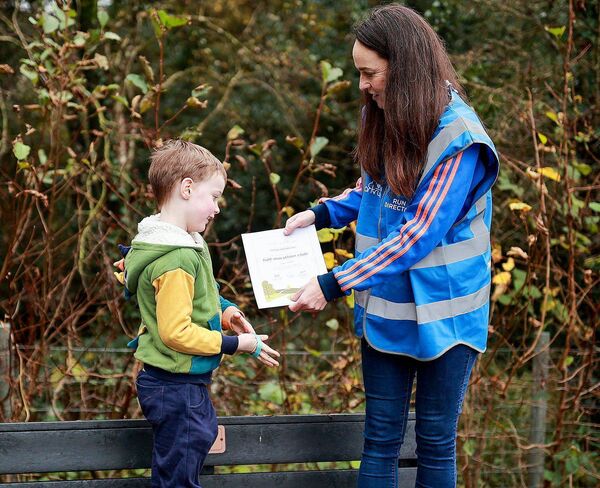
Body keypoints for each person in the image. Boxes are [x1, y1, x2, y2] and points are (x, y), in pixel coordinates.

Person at [284, 4, 499, 488]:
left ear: (403, 69)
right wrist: (322, 213)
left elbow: (419, 232)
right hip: (388, 308)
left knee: (435, 445)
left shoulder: (458, 138)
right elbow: (376, 189)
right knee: (379, 441)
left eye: (369, 73)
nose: (362, 84)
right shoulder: (385, 112)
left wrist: (332, 283)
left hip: (448, 317)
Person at [121, 140, 280, 488]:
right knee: (178, 477)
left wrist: (228, 313)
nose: (217, 209)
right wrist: (236, 343)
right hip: (175, 386)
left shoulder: (186, 243)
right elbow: (176, 332)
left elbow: (204, 296)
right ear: (187, 189)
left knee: (188, 454)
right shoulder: (176, 257)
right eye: (215, 196)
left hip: (178, 385)